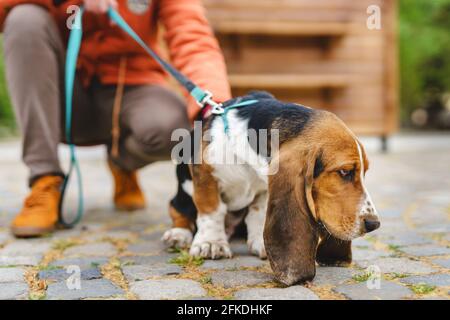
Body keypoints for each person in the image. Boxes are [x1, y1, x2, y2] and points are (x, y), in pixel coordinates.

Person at [0, 0, 231, 237]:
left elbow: (192, 38)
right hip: (63, 93)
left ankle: (121, 162)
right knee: (24, 18)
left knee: (176, 131)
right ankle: (44, 178)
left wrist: (215, 109)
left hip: (134, 86)